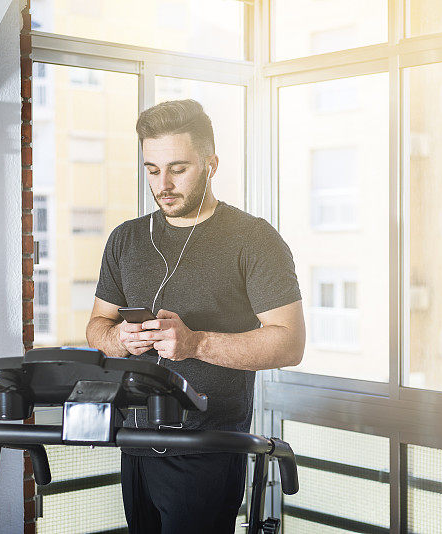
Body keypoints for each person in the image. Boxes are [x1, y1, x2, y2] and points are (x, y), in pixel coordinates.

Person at [85, 99, 305, 533]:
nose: (163, 184)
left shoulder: (253, 239)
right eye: (152, 169)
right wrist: (119, 340)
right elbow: (97, 326)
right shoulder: (126, 239)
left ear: (211, 163)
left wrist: (196, 343)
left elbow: (289, 343)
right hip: (137, 443)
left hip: (208, 447)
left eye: (178, 169)